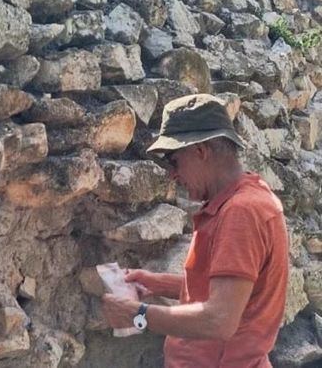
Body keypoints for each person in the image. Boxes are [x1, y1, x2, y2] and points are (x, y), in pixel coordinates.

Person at [102, 93, 289, 368]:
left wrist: (138, 314)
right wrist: (155, 283)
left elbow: (220, 320)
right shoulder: (248, 199)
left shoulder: (241, 212)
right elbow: (232, 293)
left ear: (200, 152)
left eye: (174, 161)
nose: (172, 175)